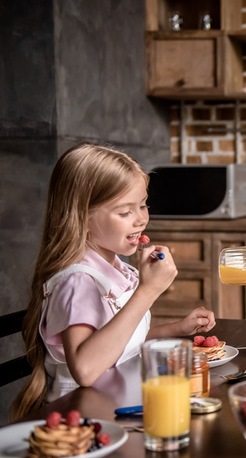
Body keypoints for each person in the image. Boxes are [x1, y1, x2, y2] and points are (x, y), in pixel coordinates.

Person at [12, 143, 216, 420]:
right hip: (84, 423)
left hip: (120, 406)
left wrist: (176, 328)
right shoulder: (79, 282)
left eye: (143, 205)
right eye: (125, 212)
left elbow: (120, 343)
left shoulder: (117, 269)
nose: (142, 219)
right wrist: (148, 291)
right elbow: (85, 369)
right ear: (82, 217)